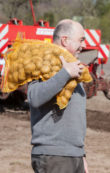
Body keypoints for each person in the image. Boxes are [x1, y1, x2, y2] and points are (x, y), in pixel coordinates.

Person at [28, 19, 89, 173]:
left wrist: (81, 155)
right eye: (81, 40)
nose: (84, 45)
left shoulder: (73, 67)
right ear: (65, 40)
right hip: (54, 157)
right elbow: (34, 97)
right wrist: (65, 74)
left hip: (73, 156)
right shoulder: (43, 63)